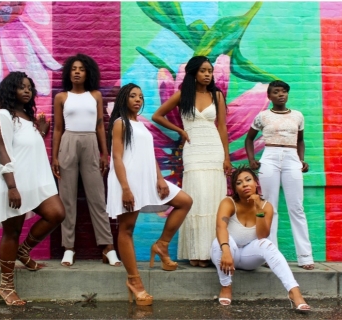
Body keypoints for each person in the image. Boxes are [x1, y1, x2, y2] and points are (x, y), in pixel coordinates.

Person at [107, 83, 193, 306]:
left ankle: (161, 245)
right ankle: (134, 281)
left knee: (184, 201)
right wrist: (125, 188)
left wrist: (160, 178)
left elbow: (149, 155)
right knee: (127, 229)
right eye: (133, 96)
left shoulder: (140, 124)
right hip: (128, 180)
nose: (138, 100)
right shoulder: (120, 123)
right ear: (123, 99)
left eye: (140, 97)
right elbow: (117, 158)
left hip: (149, 179)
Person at [0, 71, 65, 306]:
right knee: (12, 232)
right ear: (11, 90)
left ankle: (24, 251)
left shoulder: (26, 118)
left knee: (56, 213)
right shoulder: (3, 115)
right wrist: (12, 186)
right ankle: (6, 286)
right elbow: (2, 150)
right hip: (14, 183)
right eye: (21, 87)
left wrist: (40, 131)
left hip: (34, 182)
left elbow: (26, 147)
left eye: (29, 87)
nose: (27, 90)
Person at [152, 55, 231, 267]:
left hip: (213, 150)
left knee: (213, 200)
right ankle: (195, 252)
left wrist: (226, 158)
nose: (207, 74)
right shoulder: (183, 95)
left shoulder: (217, 95)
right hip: (193, 150)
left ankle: (210, 253)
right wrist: (179, 130)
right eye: (203, 70)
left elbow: (222, 127)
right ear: (194, 73)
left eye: (210, 71)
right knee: (196, 198)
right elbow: (157, 116)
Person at [52, 54, 120, 267]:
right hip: (68, 142)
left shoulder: (96, 95)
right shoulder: (62, 97)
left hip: (91, 142)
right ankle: (69, 248)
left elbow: (101, 125)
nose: (77, 72)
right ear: (68, 73)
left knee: (97, 197)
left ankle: (107, 246)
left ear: (87, 72)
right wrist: (54, 156)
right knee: (67, 199)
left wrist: (104, 153)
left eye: (81, 68)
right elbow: (58, 129)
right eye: (73, 68)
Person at [211, 166, 311, 312]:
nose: (244, 184)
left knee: (267, 244)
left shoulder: (266, 206)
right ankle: (226, 285)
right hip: (227, 253)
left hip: (248, 257)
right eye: (239, 183)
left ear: (256, 182)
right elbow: (221, 228)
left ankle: (294, 292)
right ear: (235, 188)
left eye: (248, 180)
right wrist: (226, 251)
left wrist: (259, 209)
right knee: (220, 243)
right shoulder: (228, 203)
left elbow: (262, 236)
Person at [245, 80, 314, 270]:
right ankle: (270, 254)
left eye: (284, 92)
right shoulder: (263, 116)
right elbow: (249, 139)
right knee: (269, 207)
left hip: (291, 158)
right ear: (269, 96)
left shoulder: (298, 116)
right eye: (276, 92)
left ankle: (305, 256)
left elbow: (300, 141)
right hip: (270, 157)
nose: (281, 94)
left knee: (297, 207)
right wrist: (252, 159)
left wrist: (301, 160)